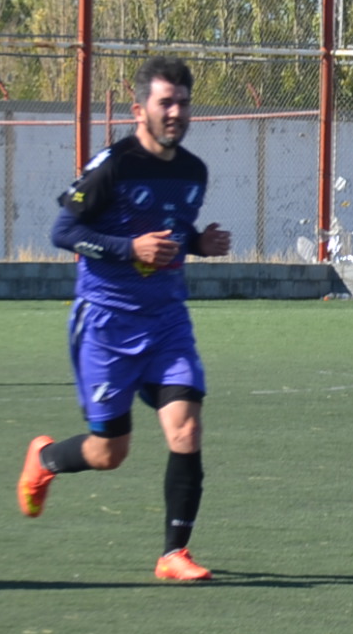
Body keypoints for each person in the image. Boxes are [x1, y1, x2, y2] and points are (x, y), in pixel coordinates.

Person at [17, 56, 233, 583]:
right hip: (106, 322)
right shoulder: (113, 163)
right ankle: (44, 461)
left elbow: (172, 235)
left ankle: (173, 554)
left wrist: (199, 245)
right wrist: (126, 246)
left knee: (186, 427)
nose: (176, 111)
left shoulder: (193, 172)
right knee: (109, 452)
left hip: (166, 319)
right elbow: (63, 233)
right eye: (166, 102)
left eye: (183, 102)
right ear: (139, 109)